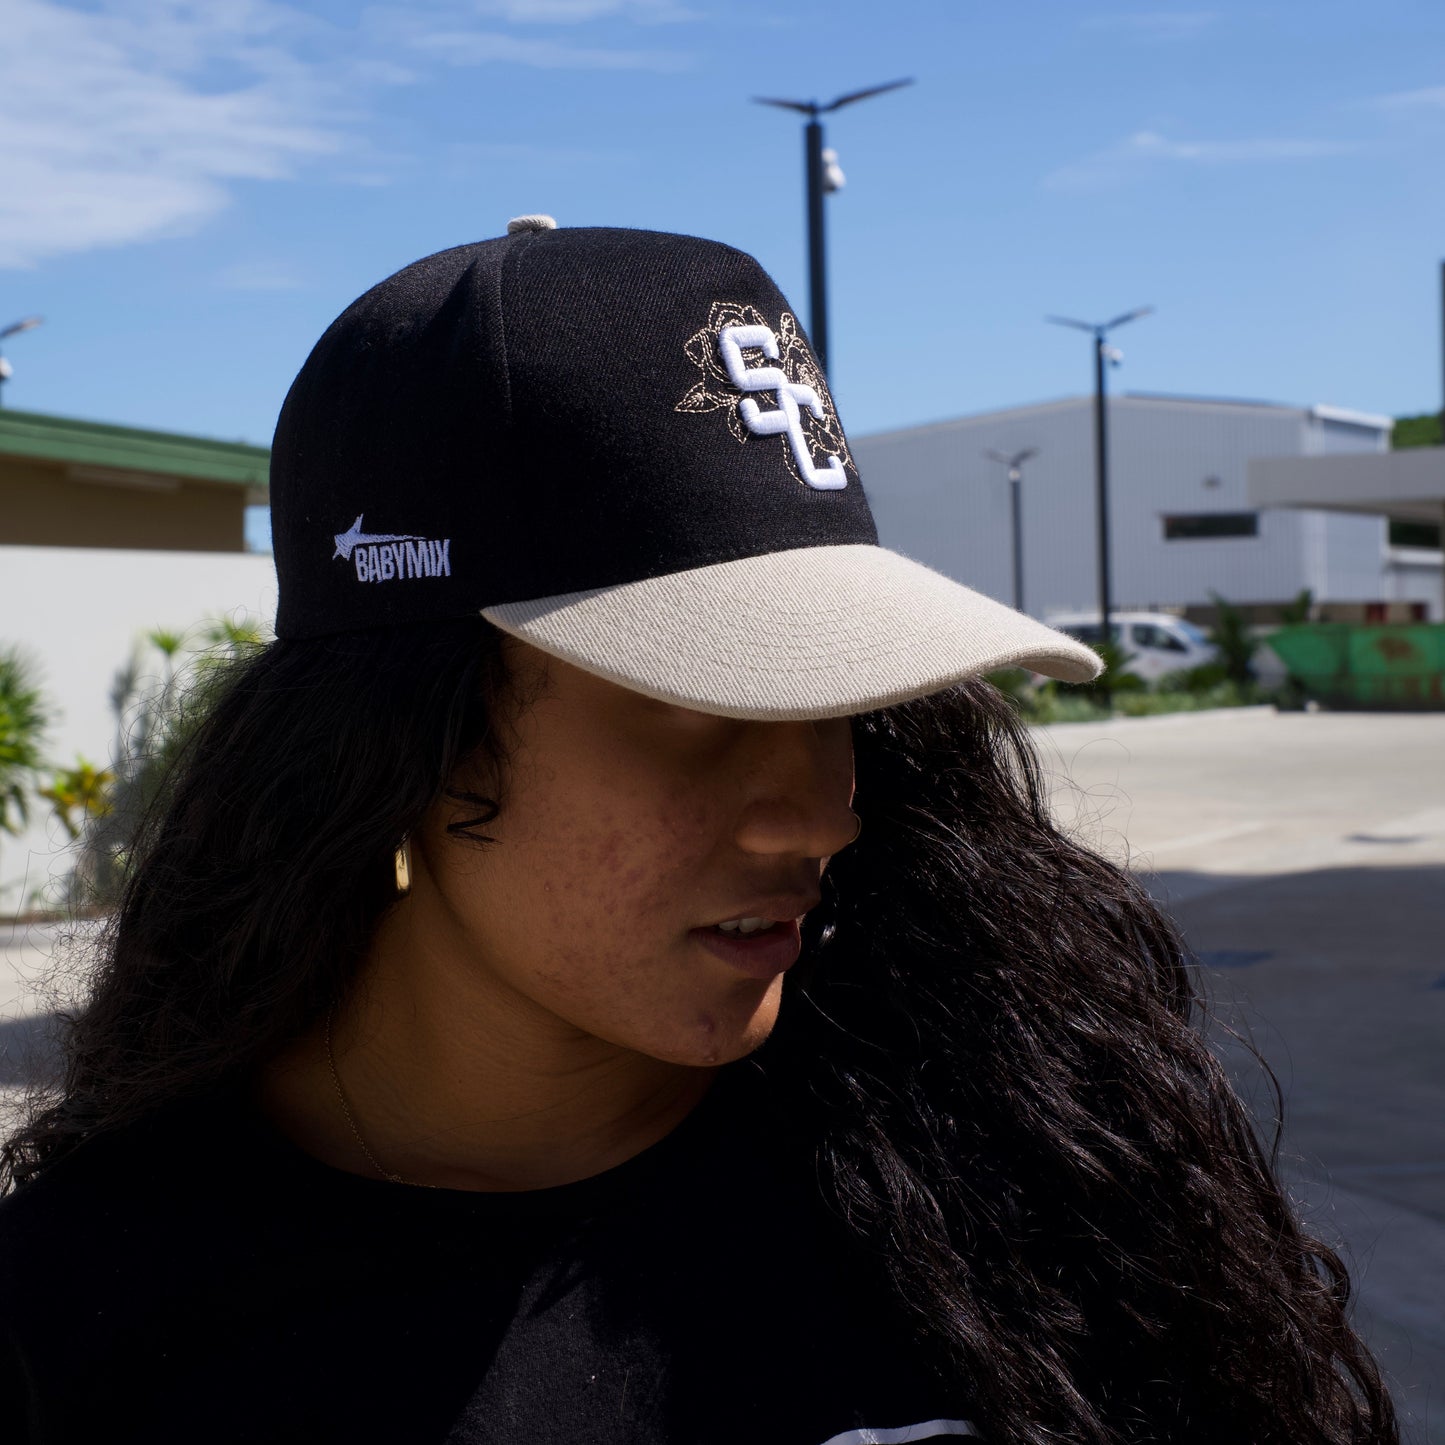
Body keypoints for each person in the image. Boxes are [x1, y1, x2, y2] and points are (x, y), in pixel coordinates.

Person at [0, 219, 1397, 1445]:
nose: (823, 809)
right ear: (394, 745)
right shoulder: (79, 1325)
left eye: (841, 703)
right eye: (693, 702)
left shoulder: (1021, 1197)